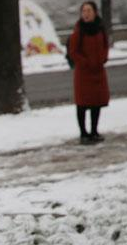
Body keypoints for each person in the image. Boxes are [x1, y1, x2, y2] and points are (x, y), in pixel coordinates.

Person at [69, 1, 109, 144]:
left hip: (98, 71)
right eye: (84, 11)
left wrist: (103, 58)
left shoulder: (100, 29)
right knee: (82, 103)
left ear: (95, 12)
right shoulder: (78, 32)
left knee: (96, 102)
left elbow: (105, 45)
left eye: (89, 10)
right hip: (83, 73)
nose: (86, 14)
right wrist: (85, 63)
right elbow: (73, 52)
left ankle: (94, 131)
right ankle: (83, 132)